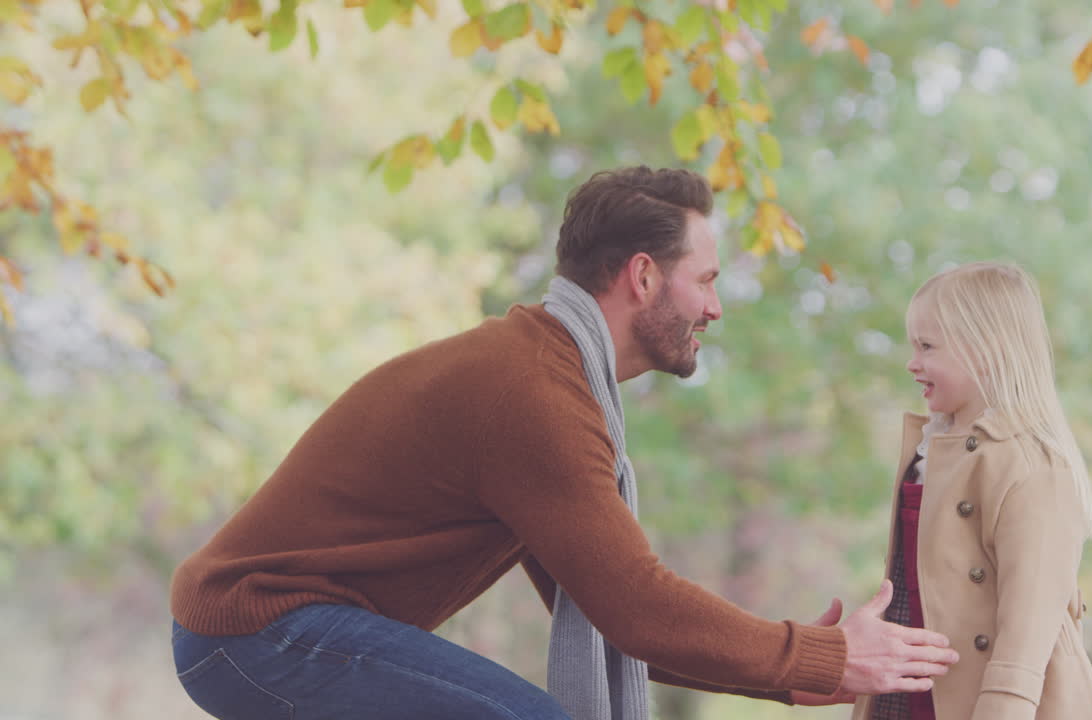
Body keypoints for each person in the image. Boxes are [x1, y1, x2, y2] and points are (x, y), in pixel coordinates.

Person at [169, 166, 958, 720]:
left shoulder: (546, 374)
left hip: (271, 632)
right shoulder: (534, 395)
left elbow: (613, 611)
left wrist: (787, 678)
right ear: (643, 278)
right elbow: (639, 604)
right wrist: (819, 657)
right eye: (707, 280)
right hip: (257, 629)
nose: (717, 308)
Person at [852, 261, 1092, 720]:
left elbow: (1028, 627)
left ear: (985, 349)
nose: (912, 363)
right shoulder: (931, 452)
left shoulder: (1031, 463)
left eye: (926, 346)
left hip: (991, 701)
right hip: (913, 692)